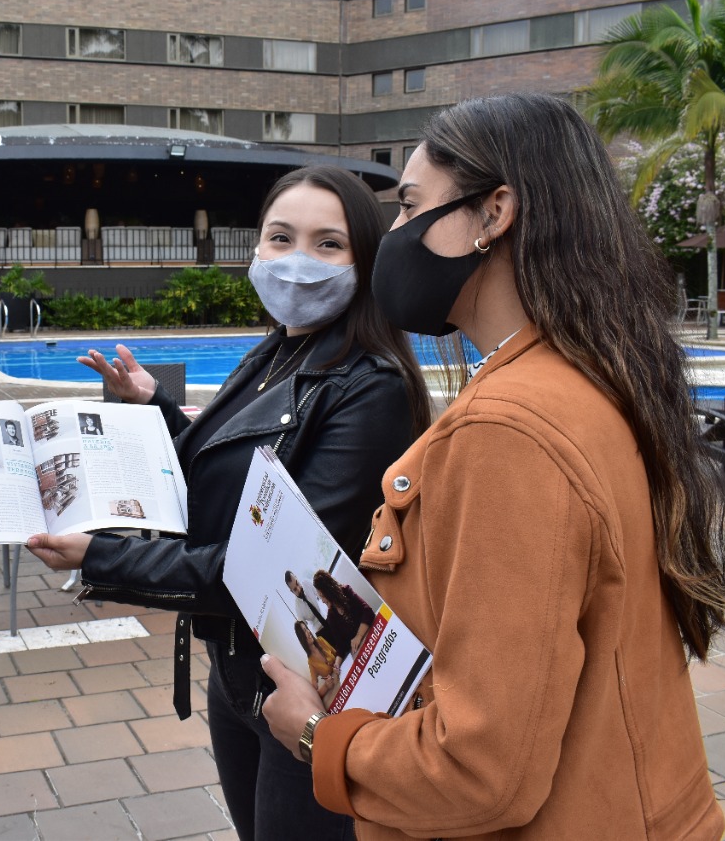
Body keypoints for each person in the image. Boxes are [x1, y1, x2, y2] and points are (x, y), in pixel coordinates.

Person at [260, 92, 725, 839]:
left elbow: (480, 769)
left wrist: (321, 737)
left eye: (414, 206)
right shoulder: (591, 374)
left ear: (494, 213)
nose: (396, 234)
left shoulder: (510, 429)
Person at [27, 164, 434, 840]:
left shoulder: (371, 387)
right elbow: (242, 481)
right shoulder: (277, 351)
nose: (298, 261)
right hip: (237, 670)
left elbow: (276, 572)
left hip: (311, 686)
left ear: (365, 260)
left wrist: (103, 558)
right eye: (281, 237)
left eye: (328, 243)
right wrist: (158, 406)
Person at [312, 570, 375, 657]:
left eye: (322, 596)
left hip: (372, 634)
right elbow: (340, 645)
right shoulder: (331, 616)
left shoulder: (346, 591)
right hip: (362, 648)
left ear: (328, 590)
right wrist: (337, 665)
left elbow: (368, 612)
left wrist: (358, 636)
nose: (322, 601)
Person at [294, 621, 341, 701]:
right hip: (338, 686)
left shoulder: (320, 640)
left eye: (307, 629)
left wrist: (337, 663)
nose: (308, 632)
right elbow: (315, 694)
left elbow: (338, 653)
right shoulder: (311, 662)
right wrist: (326, 686)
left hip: (344, 670)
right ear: (302, 638)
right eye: (304, 631)